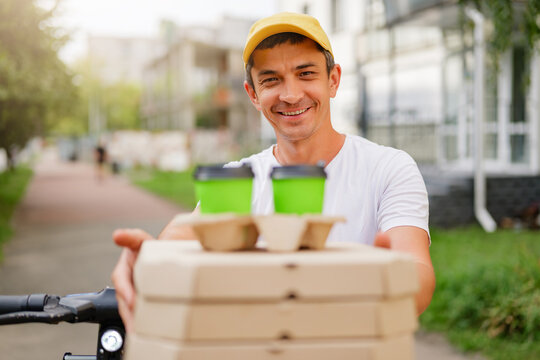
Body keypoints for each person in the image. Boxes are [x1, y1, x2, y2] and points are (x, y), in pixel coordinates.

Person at [112, 12, 435, 333]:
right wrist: (149, 261)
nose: (291, 95)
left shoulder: (388, 168)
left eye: (305, 74)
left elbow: (418, 271)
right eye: (271, 80)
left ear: (333, 80)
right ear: (253, 94)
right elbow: (176, 246)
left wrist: (388, 283)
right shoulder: (237, 179)